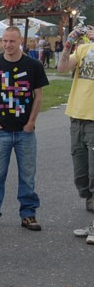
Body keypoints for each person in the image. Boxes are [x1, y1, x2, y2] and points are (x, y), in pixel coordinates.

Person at [0, 26, 48, 231]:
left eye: (12, 41)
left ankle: (28, 214)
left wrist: (31, 121)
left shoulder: (33, 65)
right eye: (4, 41)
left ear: (20, 42)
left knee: (27, 175)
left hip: (25, 131)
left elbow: (38, 96)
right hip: (0, 131)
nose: (7, 45)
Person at [57, 26, 94, 221]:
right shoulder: (82, 49)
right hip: (77, 115)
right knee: (80, 172)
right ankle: (89, 199)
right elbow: (62, 68)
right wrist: (68, 44)